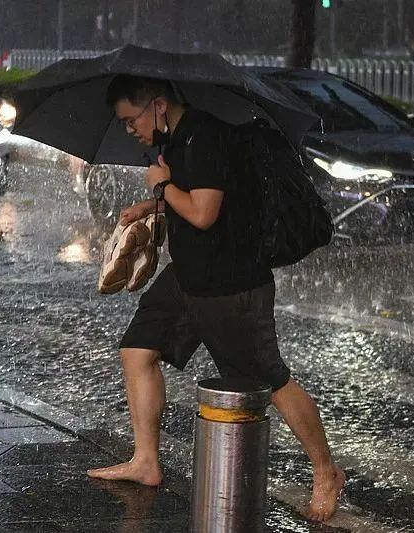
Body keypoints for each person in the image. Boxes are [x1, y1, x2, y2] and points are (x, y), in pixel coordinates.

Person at [87, 75, 345, 522]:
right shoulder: (177, 140)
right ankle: (145, 460)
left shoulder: (206, 137)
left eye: (131, 120)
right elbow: (198, 197)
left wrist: (160, 188)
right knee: (137, 350)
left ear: (158, 105)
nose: (130, 130)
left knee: (271, 382)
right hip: (187, 278)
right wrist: (151, 207)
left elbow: (204, 214)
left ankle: (326, 470)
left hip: (231, 285)